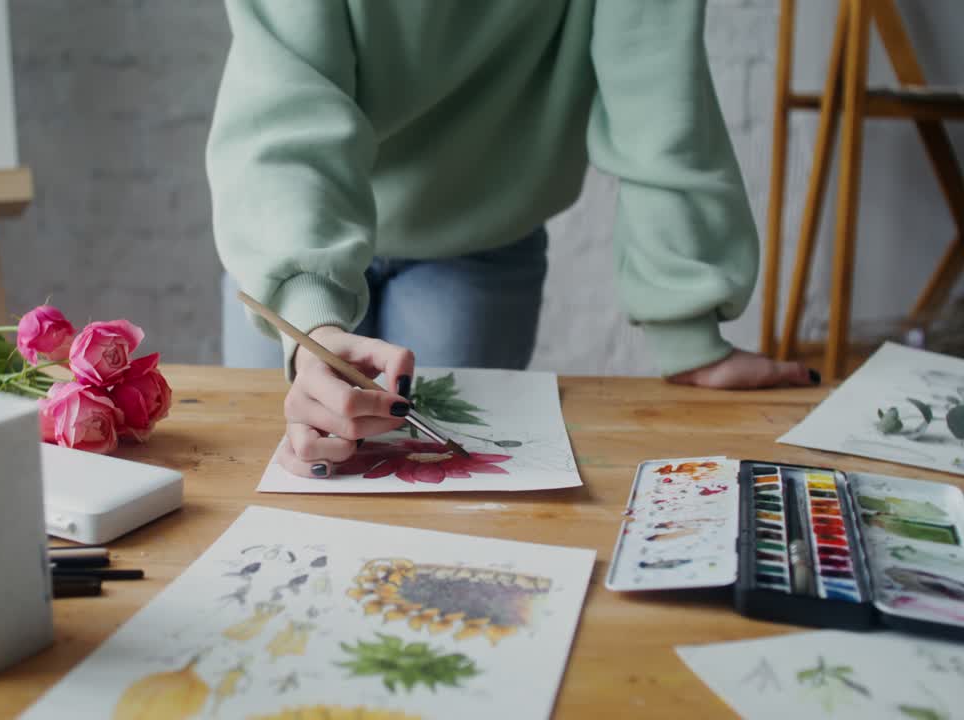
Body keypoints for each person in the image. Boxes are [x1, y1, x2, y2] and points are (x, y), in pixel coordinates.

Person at [208, 1, 820, 479]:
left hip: (477, 241)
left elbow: (657, 91)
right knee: (294, 490)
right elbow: (284, 97)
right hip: (290, 237)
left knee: (441, 509)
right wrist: (311, 321)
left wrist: (691, 335)